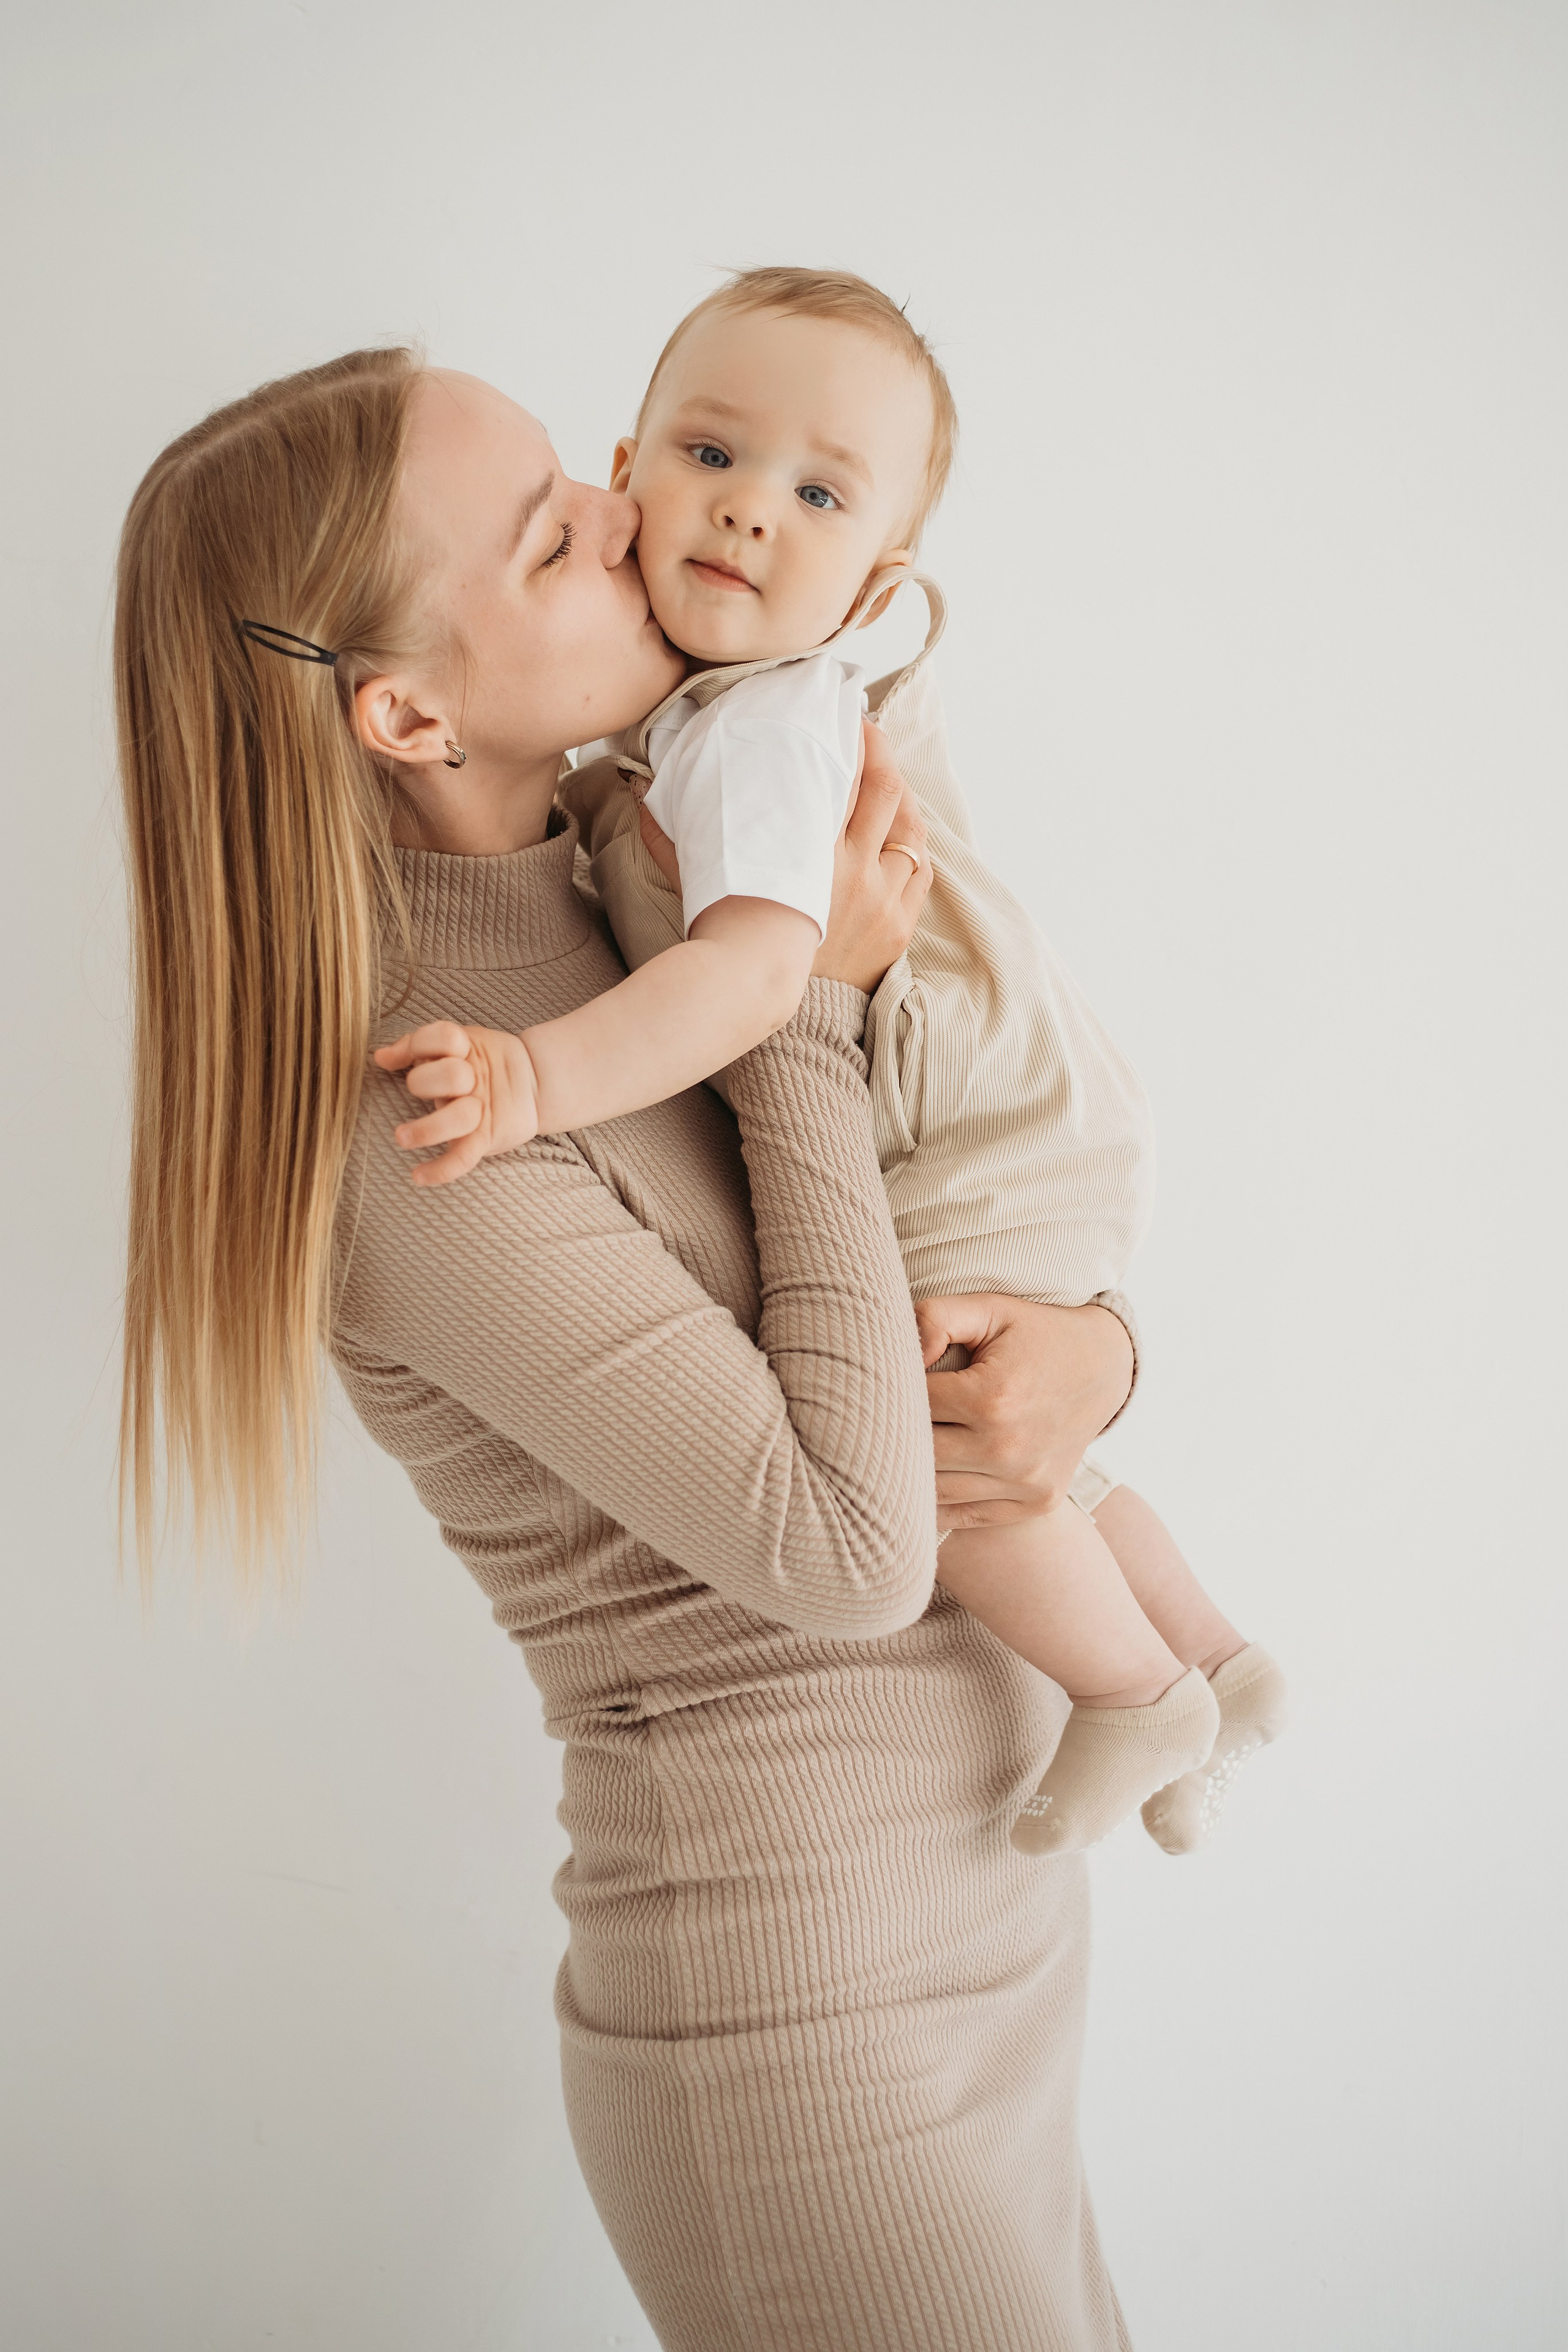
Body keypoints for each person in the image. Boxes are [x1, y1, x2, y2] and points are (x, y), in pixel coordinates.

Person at [116, 345, 1140, 2349]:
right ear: (405, 712)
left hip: (977, 1944)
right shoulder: (422, 1130)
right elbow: (847, 1549)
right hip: (808, 2041)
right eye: (551, 534)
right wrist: (805, 1006)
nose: (633, 516)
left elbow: (926, 1229)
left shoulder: (642, 860)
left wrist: (1094, 1355)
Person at [378, 268, 1287, 1858]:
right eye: (697, 461)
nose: (717, 521)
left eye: (815, 494)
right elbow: (854, 1528)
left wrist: (534, 1082)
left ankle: (1150, 1688)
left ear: (876, 577)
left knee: (965, 1447)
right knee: (964, 1449)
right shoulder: (600, 846)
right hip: (800, 1946)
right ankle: (1197, 1661)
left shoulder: (743, 745)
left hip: (970, 1128)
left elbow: (750, 994)